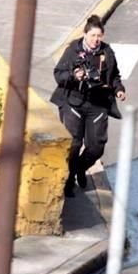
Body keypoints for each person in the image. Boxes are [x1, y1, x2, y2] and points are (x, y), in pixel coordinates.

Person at [51, 15, 127, 197]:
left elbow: (114, 74)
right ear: (85, 34)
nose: (95, 40)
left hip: (98, 104)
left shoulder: (107, 52)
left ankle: (79, 169)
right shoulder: (73, 50)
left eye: (99, 36)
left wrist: (118, 89)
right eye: (92, 35)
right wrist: (74, 76)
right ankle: (68, 182)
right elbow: (58, 74)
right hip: (74, 102)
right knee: (74, 144)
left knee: (96, 147)